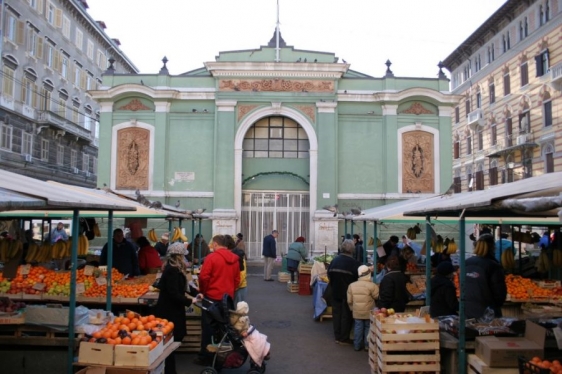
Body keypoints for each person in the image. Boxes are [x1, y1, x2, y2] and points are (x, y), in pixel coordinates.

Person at [195, 234, 241, 366]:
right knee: (224, 328)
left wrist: (203, 291)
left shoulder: (211, 257)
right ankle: (222, 356)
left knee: (208, 328)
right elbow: (237, 280)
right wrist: (230, 292)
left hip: (211, 298)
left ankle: (207, 357)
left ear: (215, 244)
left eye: (212, 245)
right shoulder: (235, 259)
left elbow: (204, 277)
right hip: (227, 300)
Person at [154, 242, 199, 374]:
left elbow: (185, 286)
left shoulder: (176, 269)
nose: (185, 259)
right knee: (169, 344)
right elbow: (174, 293)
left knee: (171, 343)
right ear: (179, 257)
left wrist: (196, 293)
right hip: (169, 312)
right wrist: (190, 300)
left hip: (174, 310)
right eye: (184, 256)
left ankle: (170, 370)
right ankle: (169, 371)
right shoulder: (171, 271)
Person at [327, 239, 361, 345]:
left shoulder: (334, 260)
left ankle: (337, 336)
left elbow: (329, 275)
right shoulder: (354, 263)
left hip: (335, 290)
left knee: (336, 313)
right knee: (346, 314)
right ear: (352, 250)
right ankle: (344, 337)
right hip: (348, 292)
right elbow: (358, 278)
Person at [465, 234, 507, 319]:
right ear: (493, 247)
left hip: (468, 310)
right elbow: (499, 292)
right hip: (487, 311)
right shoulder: (493, 266)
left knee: (470, 331)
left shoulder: (466, 263)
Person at [347, 265, 379, 351]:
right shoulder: (372, 286)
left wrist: (352, 309)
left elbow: (349, 300)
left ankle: (357, 345)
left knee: (357, 327)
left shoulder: (351, 285)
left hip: (357, 311)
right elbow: (377, 297)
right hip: (369, 311)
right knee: (368, 327)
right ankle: (367, 345)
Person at [227, 235, 247, 304]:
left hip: (239, 288)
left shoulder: (238, 256)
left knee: (238, 310)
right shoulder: (233, 254)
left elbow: (242, 273)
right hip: (235, 287)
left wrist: (234, 287)